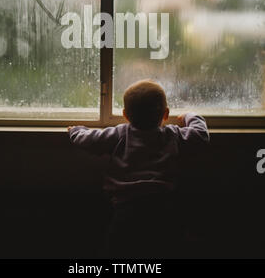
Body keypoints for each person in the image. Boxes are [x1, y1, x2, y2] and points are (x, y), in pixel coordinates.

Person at [68, 79, 210, 258]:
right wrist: (190, 116)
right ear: (165, 114)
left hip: (126, 208)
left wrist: (76, 131)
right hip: (163, 206)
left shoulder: (120, 134)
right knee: (168, 247)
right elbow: (201, 135)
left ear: (126, 115)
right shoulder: (172, 135)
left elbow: (91, 140)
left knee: (118, 249)